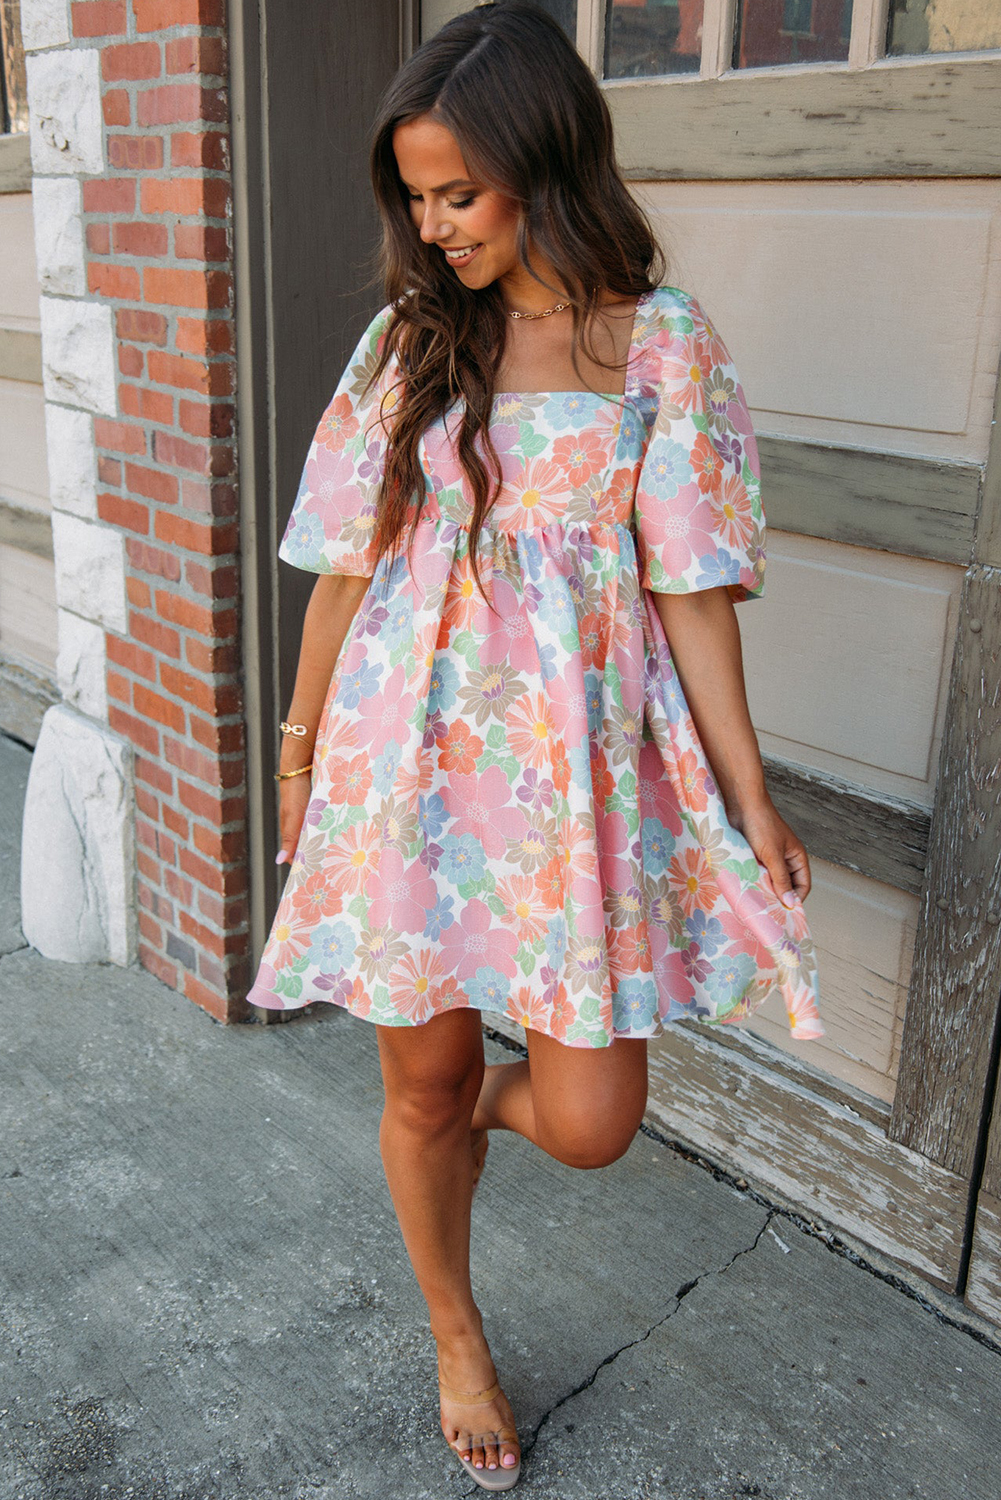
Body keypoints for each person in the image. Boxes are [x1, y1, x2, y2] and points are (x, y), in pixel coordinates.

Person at [248, 2, 823, 1489]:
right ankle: (456, 1333)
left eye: (461, 194)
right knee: (422, 1085)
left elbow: (691, 592)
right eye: (416, 197)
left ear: (548, 164)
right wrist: (299, 757)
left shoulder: (660, 346)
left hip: (570, 789)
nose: (434, 227)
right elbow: (344, 570)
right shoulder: (410, 342)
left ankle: (474, 1131)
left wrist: (750, 797)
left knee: (589, 1120)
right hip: (405, 767)